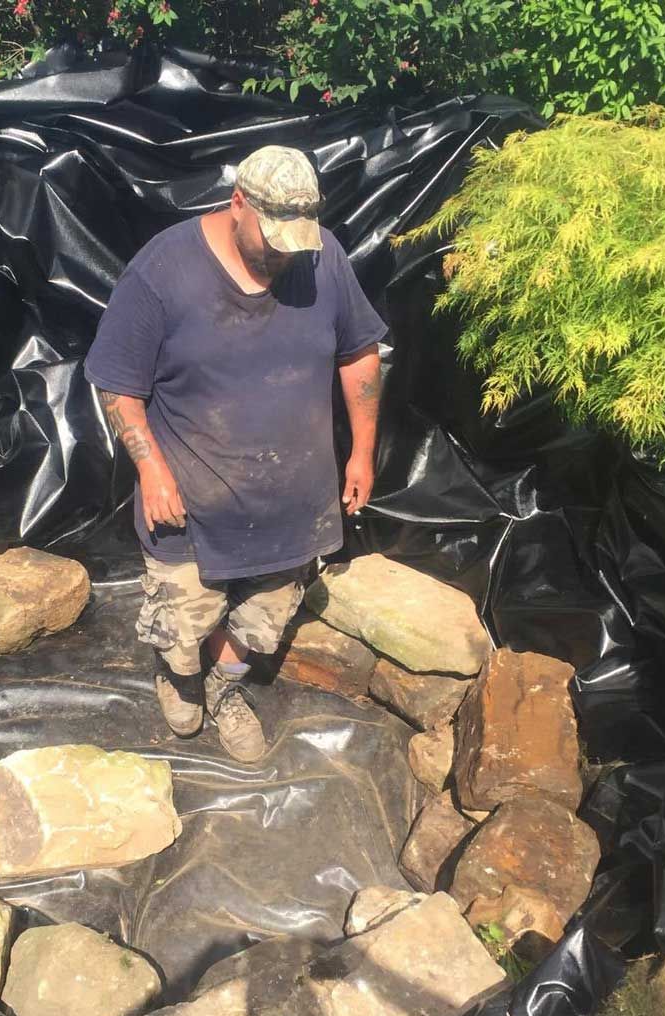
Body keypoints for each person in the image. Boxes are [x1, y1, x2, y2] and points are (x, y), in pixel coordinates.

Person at [84, 145, 386, 762]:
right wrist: (151, 469)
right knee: (183, 622)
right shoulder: (163, 271)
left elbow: (360, 354)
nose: (283, 253)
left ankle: (223, 690)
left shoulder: (321, 256)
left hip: (293, 504)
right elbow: (118, 386)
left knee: (263, 622)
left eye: (293, 242)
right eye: (271, 238)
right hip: (192, 506)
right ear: (238, 203)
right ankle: (180, 676)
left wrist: (362, 452)